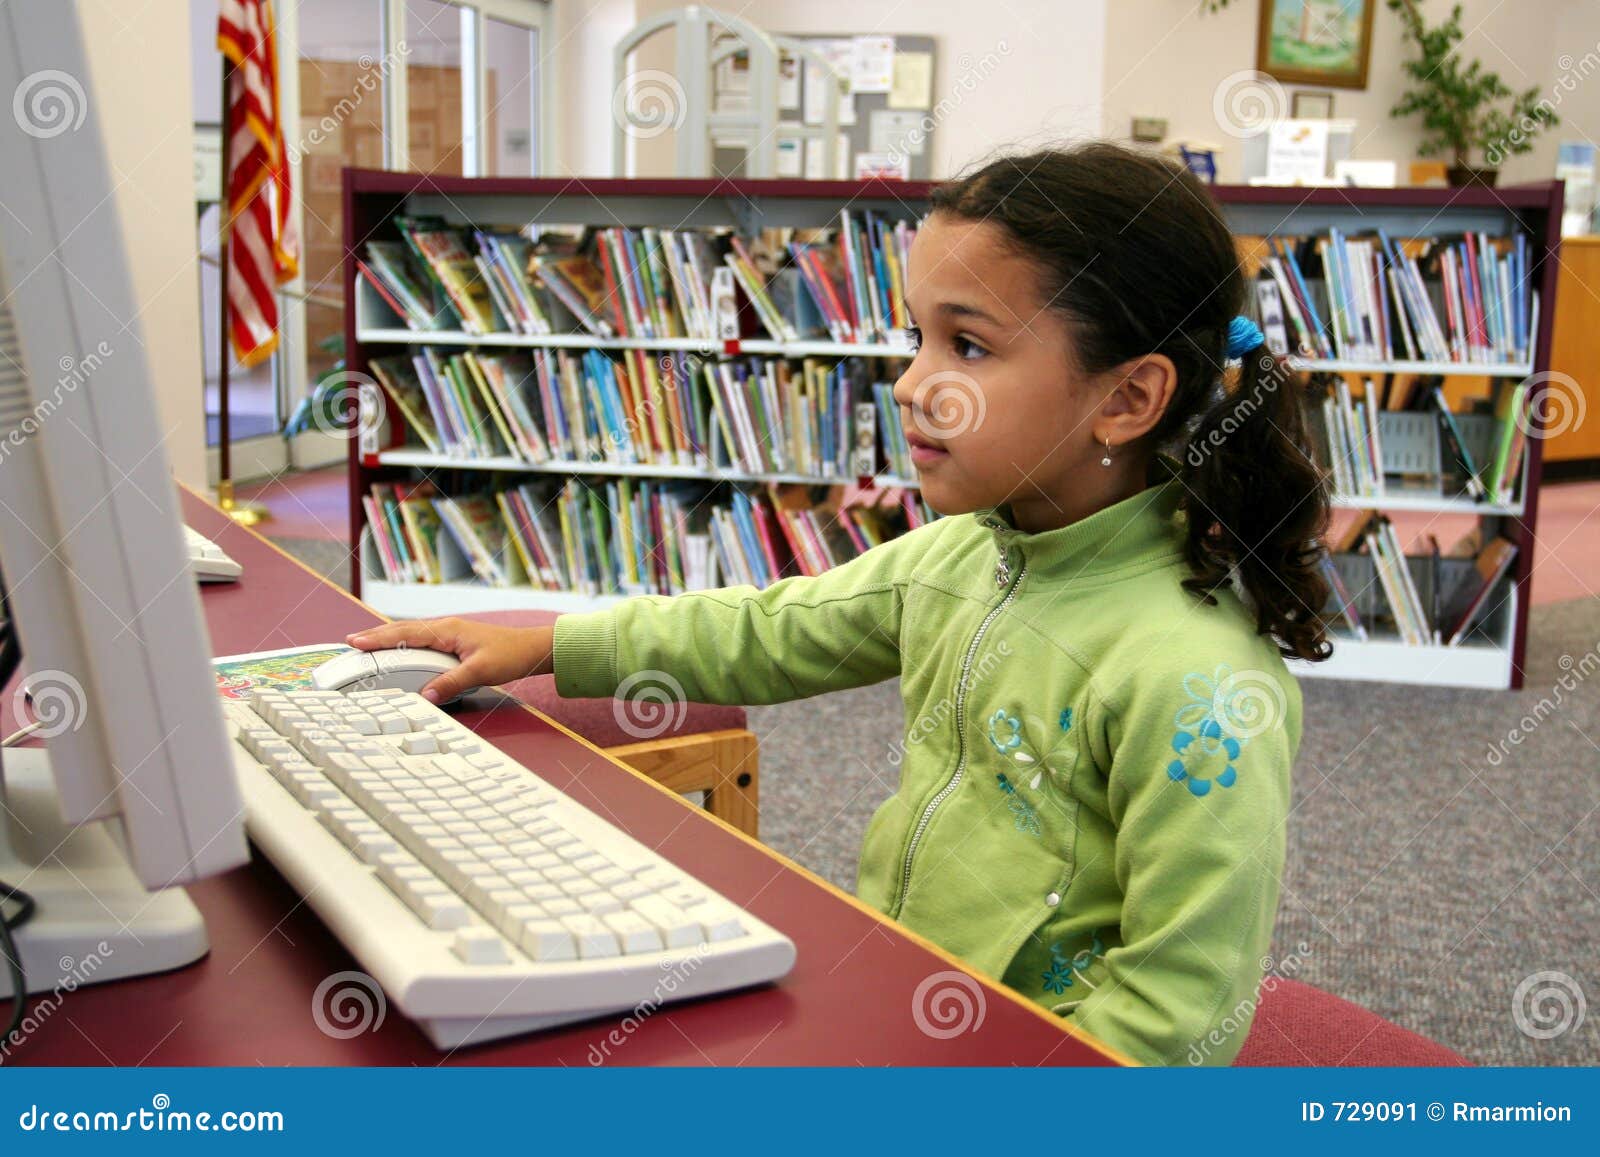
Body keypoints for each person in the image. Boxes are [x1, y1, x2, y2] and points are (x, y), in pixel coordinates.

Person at [349, 141, 1332, 1066]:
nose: (909, 384)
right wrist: (545, 645)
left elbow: (1185, 1002)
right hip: (897, 1000)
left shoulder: (1196, 678)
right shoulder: (959, 556)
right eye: (918, 338)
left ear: (1125, 399)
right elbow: (769, 630)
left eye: (970, 347)